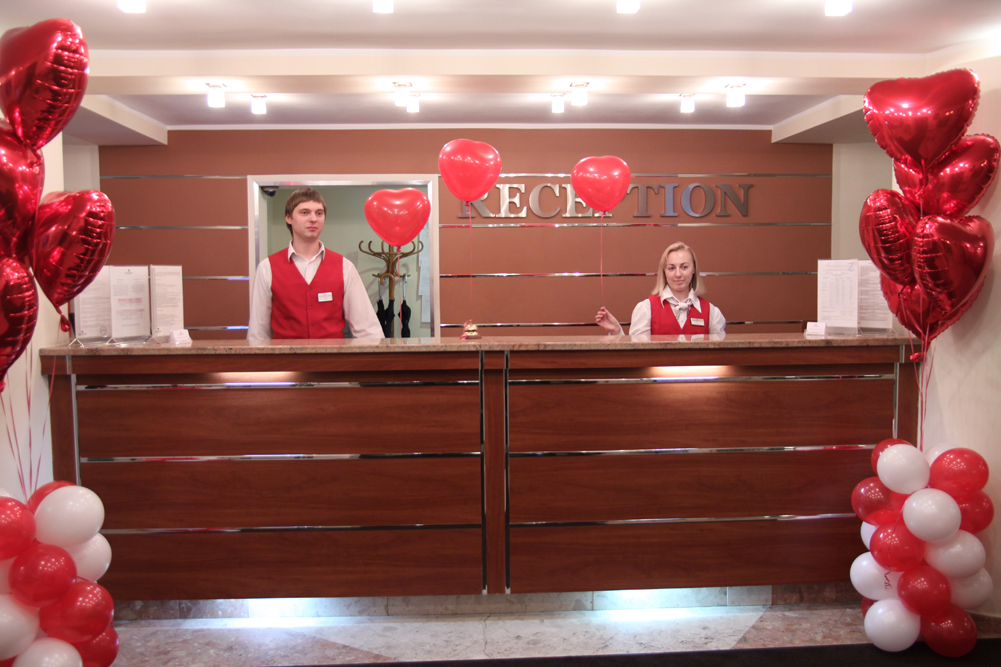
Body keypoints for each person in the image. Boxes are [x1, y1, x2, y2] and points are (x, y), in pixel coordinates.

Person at [248, 187, 384, 340]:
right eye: (304, 212)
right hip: (285, 356)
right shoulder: (267, 268)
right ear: (289, 218)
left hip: (334, 355)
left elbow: (367, 329)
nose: (313, 218)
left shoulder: (345, 267)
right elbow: (258, 333)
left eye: (319, 213)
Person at [595, 241, 725, 336]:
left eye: (684, 267)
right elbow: (637, 355)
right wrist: (617, 332)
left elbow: (719, 356)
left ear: (694, 269)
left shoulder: (712, 312)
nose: (678, 274)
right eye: (671, 268)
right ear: (664, 272)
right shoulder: (646, 308)